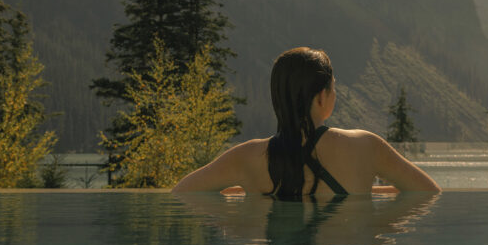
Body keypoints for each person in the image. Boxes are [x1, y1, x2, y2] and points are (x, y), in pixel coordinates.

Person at [172, 47, 440, 198]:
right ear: (322, 96)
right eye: (333, 88)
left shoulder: (245, 157)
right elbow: (428, 193)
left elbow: (182, 193)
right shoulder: (366, 146)